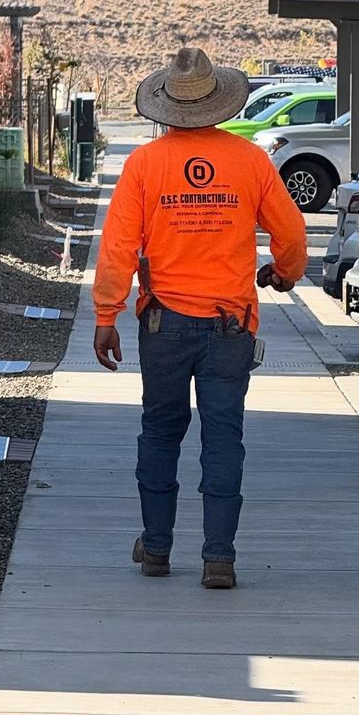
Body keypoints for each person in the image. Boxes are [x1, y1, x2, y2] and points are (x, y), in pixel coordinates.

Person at [92, 46, 308, 589]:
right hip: (229, 327)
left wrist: (106, 315)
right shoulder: (250, 161)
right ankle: (219, 557)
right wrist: (284, 275)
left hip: (164, 324)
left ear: (167, 106)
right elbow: (292, 235)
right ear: (221, 102)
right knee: (223, 437)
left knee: (160, 432)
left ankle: (158, 546)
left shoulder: (145, 165)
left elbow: (119, 247)